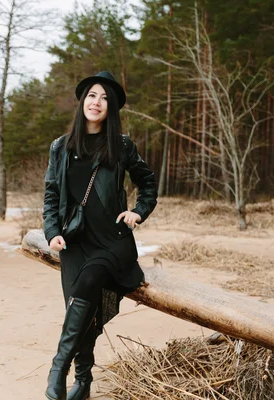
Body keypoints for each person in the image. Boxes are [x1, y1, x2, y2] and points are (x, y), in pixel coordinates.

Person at [42, 71, 158, 400]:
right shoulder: (60, 148)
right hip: (74, 242)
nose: (97, 102)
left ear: (112, 109)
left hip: (112, 240)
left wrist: (138, 211)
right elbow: (51, 195)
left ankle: (58, 368)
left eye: (105, 98)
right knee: (81, 309)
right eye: (92, 95)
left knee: (88, 283)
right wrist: (52, 232)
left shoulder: (120, 146)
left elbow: (147, 181)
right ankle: (83, 379)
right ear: (82, 102)